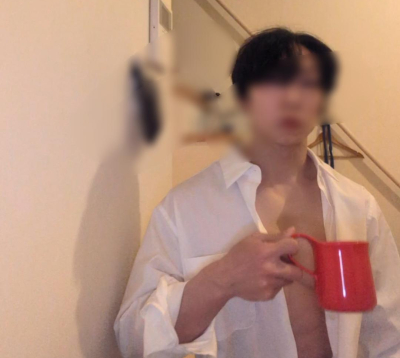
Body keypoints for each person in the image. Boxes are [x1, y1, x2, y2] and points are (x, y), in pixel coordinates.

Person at [114, 28, 400, 358]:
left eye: (308, 84)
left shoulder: (358, 206)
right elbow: (133, 339)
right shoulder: (183, 208)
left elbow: (391, 333)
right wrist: (223, 278)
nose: (292, 98)